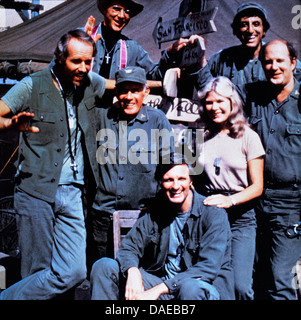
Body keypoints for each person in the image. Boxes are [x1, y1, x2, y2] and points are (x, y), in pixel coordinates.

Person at [0, 29, 106, 300]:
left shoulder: (89, 83)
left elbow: (117, 85)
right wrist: (11, 123)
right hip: (35, 190)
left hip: (73, 192)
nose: (83, 68)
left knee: (74, 271)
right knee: (37, 270)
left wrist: (152, 84)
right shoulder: (32, 85)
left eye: (88, 61)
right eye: (76, 62)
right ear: (60, 58)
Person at [90, 153, 234, 300]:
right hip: (162, 286)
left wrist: (158, 290)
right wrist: (132, 271)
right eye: (169, 180)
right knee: (104, 267)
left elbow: (207, 268)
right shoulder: (156, 211)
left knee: (190, 288)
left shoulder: (213, 213)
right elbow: (129, 247)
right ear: (160, 183)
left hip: (199, 288)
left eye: (181, 179)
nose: (176, 186)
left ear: (191, 181)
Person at [87, 66, 174, 268]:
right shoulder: (101, 117)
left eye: (135, 90)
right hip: (103, 216)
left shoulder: (157, 119)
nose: (129, 96)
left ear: (146, 91)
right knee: (103, 273)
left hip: (142, 217)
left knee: (138, 275)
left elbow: (169, 164)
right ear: (115, 92)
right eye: (123, 90)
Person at [240, 40, 301, 300]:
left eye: (280, 61)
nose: (274, 67)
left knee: (280, 280)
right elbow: (217, 98)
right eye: (268, 61)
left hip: (290, 206)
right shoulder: (254, 96)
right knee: (252, 277)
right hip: (254, 202)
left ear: (293, 64)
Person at [195, 76, 265, 300]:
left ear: (232, 102)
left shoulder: (248, 136)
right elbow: (185, 176)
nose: (214, 108)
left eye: (220, 102)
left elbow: (257, 186)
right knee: (213, 283)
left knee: (240, 287)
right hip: (209, 215)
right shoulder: (195, 135)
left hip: (240, 217)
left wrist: (230, 200)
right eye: (209, 102)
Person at [85, 0, 194, 82]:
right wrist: (82, 47)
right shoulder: (84, 37)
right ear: (104, 10)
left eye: (127, 11)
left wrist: (170, 53)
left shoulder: (132, 48)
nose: (122, 16)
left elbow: (154, 74)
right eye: (116, 9)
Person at [193, 2, 271, 92]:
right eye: (244, 24)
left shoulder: (276, 56)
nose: (250, 30)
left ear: (264, 29)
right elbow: (207, 88)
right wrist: (200, 60)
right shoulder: (223, 58)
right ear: (237, 30)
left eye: (256, 24)